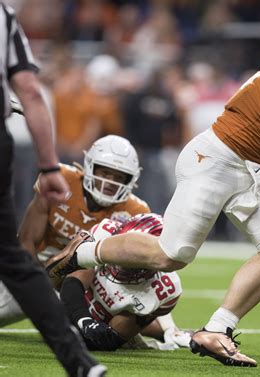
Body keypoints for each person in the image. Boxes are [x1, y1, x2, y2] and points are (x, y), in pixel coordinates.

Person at [46, 8, 260, 367]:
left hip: (250, 164)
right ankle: (87, 251)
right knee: (172, 254)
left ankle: (217, 329)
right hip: (218, 157)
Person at [0, 4, 106, 376]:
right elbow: (29, 91)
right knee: (14, 261)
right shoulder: (4, 14)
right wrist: (50, 166)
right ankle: (79, 362)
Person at [0, 135, 149, 327]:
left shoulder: (135, 211)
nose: (110, 182)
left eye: (119, 177)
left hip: (85, 286)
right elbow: (27, 241)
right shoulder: (60, 180)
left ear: (130, 180)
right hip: (36, 268)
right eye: (104, 173)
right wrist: (39, 287)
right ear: (90, 167)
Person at [60, 214, 191, 351]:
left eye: (133, 262)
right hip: (66, 299)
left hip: (102, 320)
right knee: (58, 269)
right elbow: (72, 284)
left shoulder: (166, 289)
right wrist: (84, 321)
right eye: (123, 253)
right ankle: (170, 331)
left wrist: (93, 332)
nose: (123, 264)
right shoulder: (104, 231)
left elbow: (110, 338)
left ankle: (171, 331)